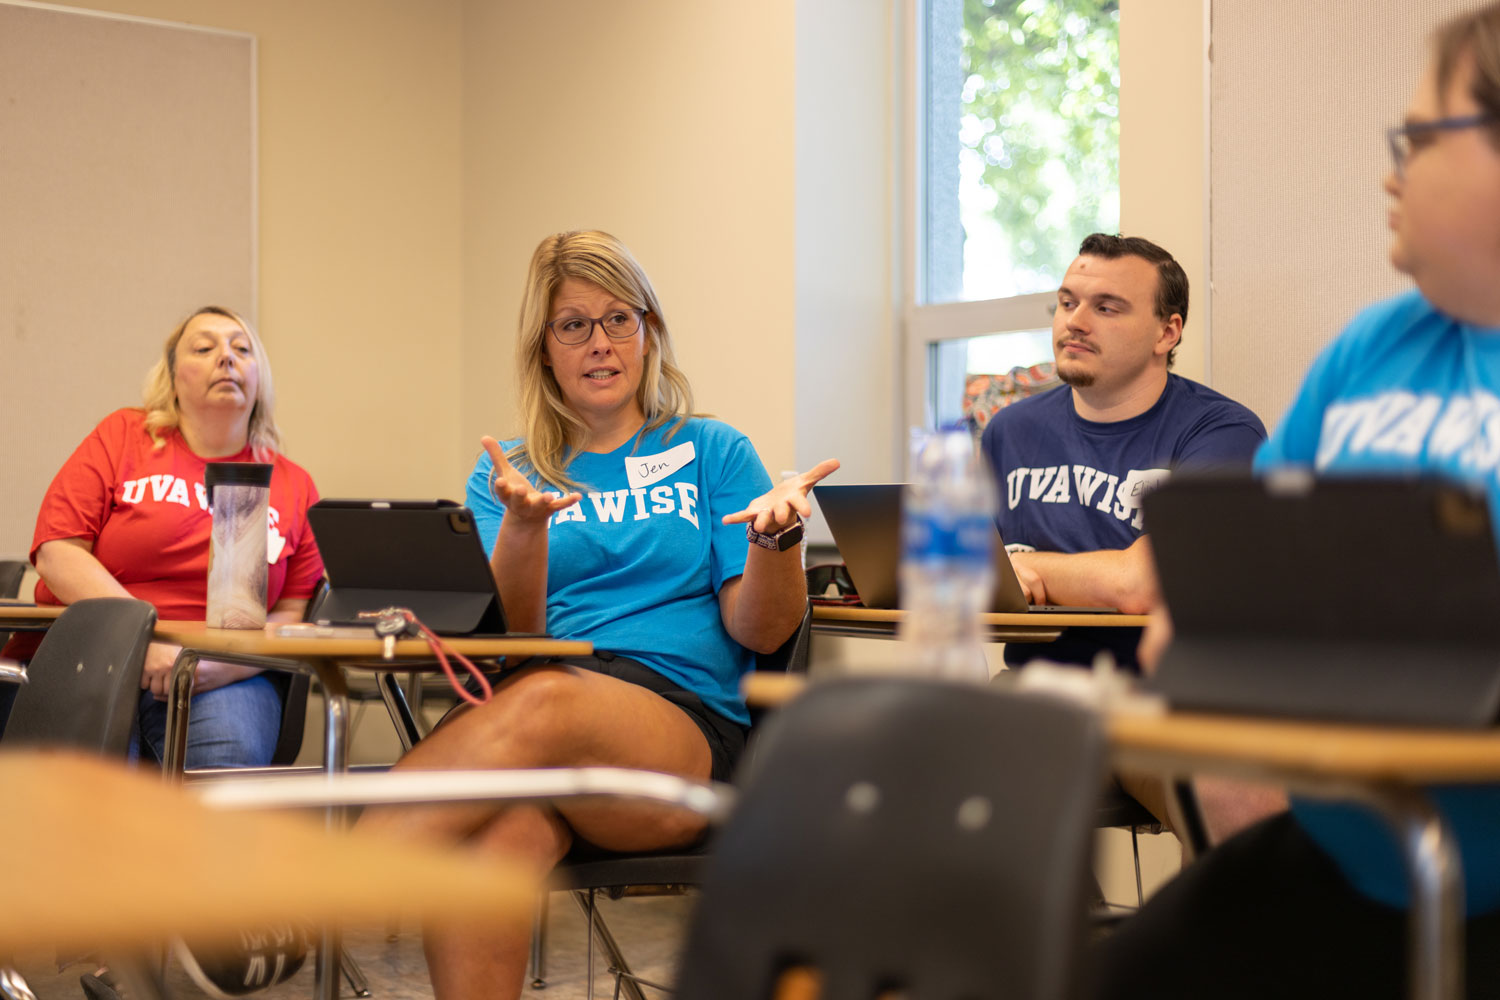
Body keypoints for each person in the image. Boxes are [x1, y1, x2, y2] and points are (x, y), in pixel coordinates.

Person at [1095, 6, 1500, 997]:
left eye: (1419, 138)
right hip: (1350, 858)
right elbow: (1227, 572)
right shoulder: (1376, 346)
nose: (1389, 171)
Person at [357, 230, 838, 1000]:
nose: (600, 342)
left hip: (677, 730)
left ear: (649, 333)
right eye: (572, 324)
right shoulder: (509, 473)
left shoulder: (710, 451)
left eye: (620, 318)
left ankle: (309, 892)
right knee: (492, 847)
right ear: (543, 348)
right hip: (537, 727)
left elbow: (761, 630)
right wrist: (520, 528)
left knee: (551, 695)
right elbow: (519, 633)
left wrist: (778, 541)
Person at [6, 306, 324, 769]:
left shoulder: (293, 485)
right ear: (172, 377)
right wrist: (140, 641)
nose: (227, 359)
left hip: (223, 673)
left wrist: (215, 667)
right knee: (94, 785)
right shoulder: (122, 436)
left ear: (260, 380)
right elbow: (59, 553)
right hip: (93, 655)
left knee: (224, 769)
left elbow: (291, 616)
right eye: (204, 347)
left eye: (241, 349)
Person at [980, 233, 1267, 673]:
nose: (1075, 321)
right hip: (1030, 689)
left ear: (1166, 333)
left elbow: (1146, 584)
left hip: (1164, 697)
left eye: (1106, 307)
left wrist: (1025, 565)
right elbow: (973, 574)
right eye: (1067, 302)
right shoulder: (1010, 430)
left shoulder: (1223, 433)